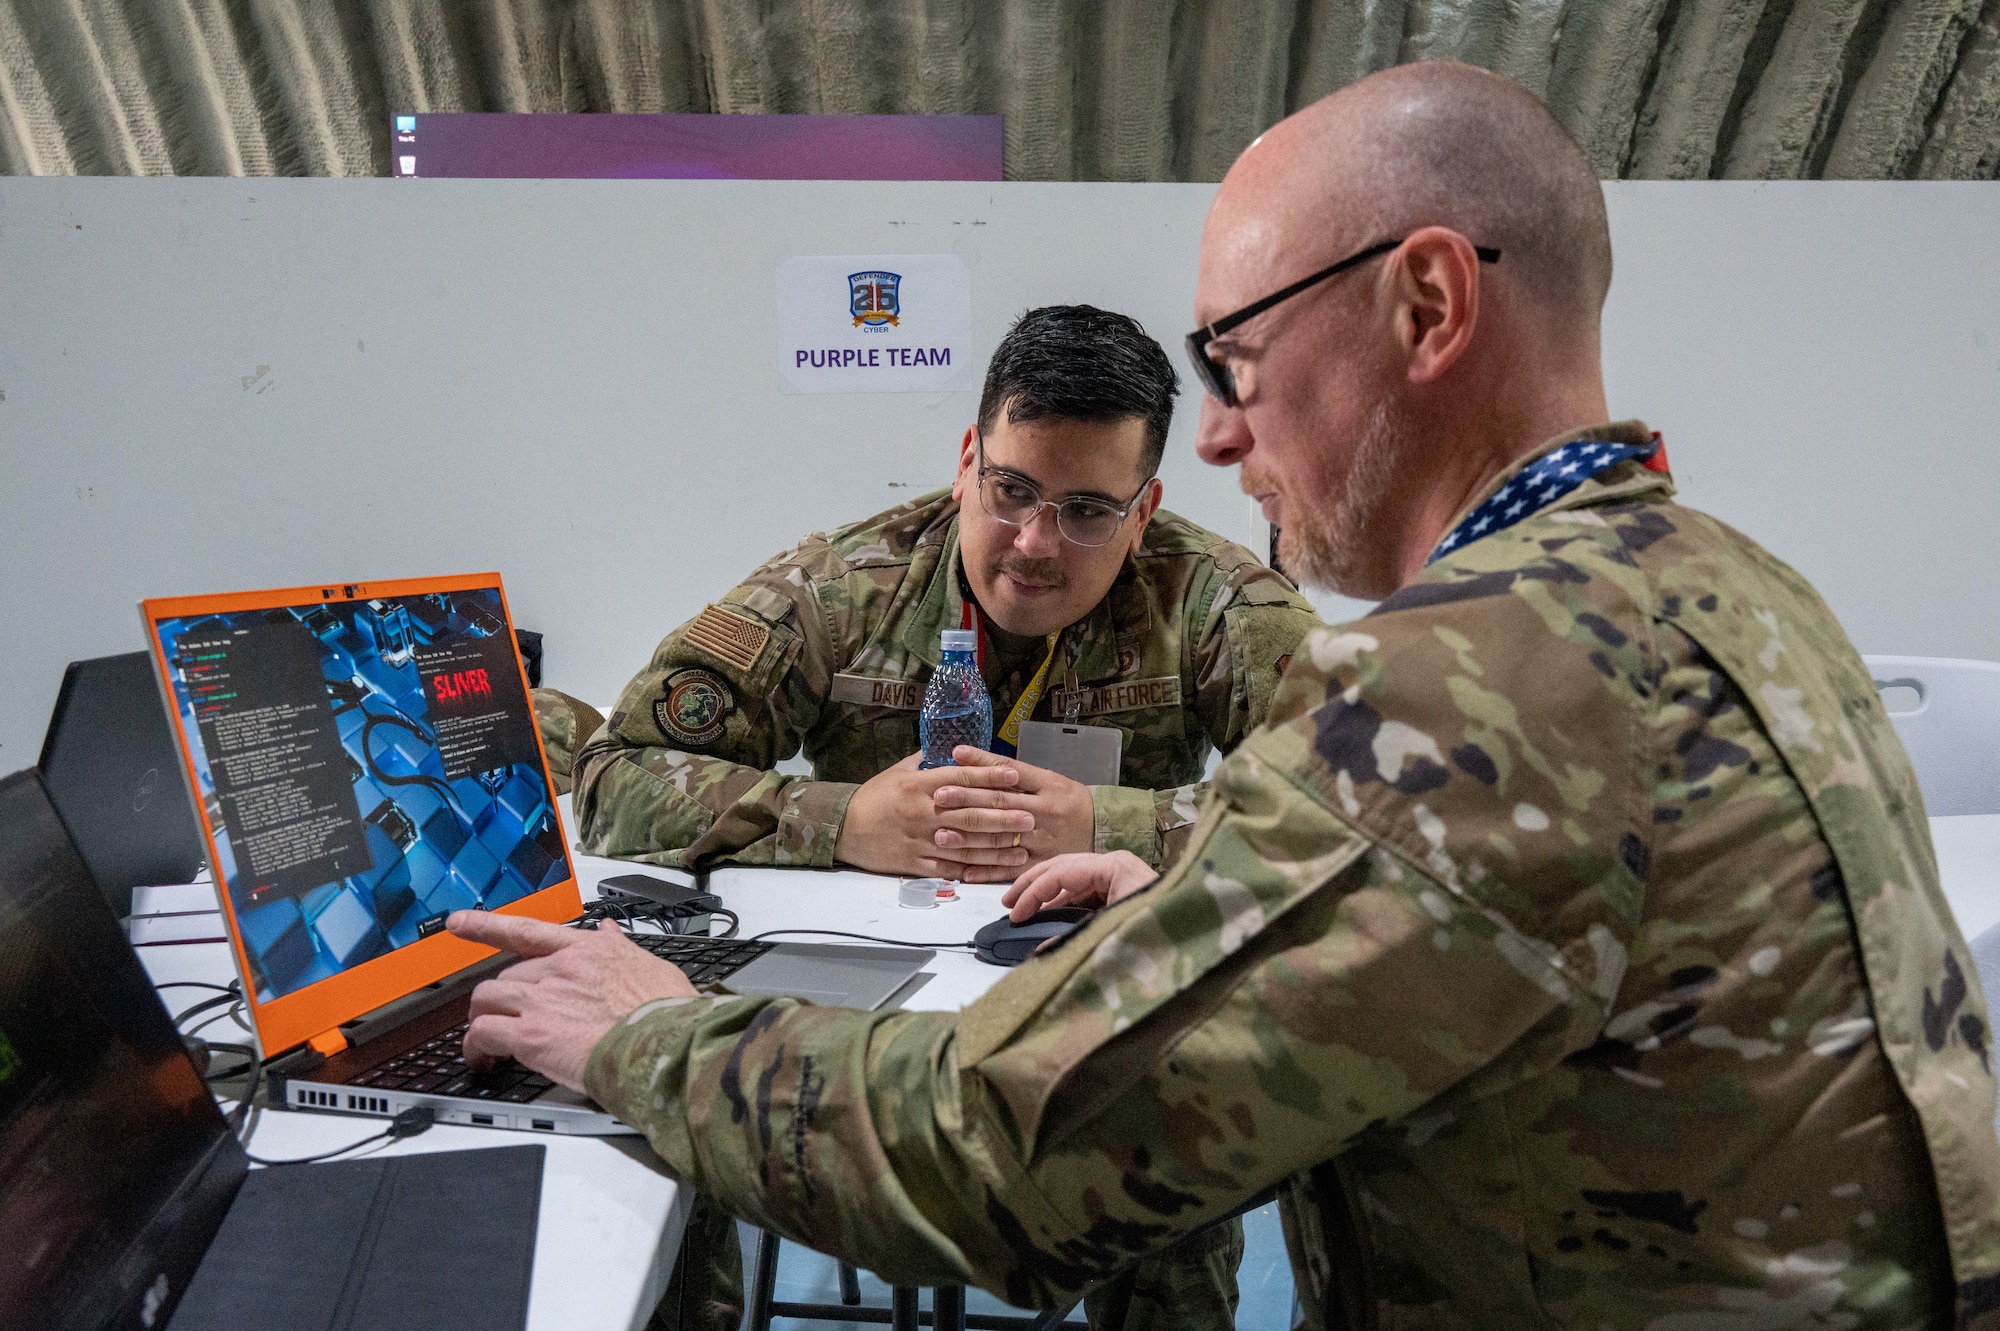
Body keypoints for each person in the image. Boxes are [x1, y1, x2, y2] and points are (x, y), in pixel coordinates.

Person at [456, 61, 2000, 1329]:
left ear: (1428, 305)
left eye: (1239, 357)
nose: (1216, 440)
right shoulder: (1738, 584)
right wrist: (1191, 861)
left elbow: (1007, 1154)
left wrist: (649, 1032)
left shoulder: (1457, 680)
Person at [539, 304, 1319, 1331]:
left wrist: (1110, 825)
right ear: (966, 463)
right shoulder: (841, 585)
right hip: (862, 1010)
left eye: (1088, 509)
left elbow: (1338, 814)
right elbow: (611, 776)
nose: (1036, 543)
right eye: (1010, 491)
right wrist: (835, 815)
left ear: (1144, 509)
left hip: (1097, 1001)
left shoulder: (1217, 600)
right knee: (671, 1106)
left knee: (1175, 1161)